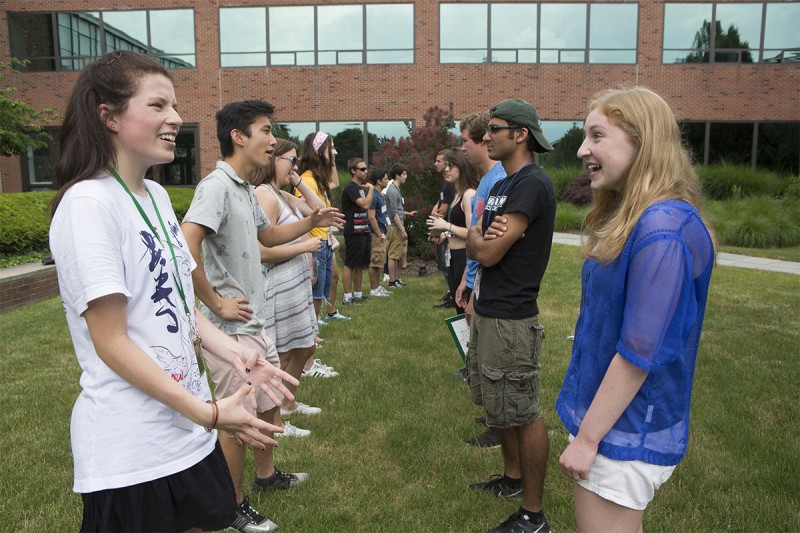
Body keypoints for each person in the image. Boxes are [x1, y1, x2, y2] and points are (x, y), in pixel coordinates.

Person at [48, 51, 298, 532]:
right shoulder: (87, 205)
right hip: (132, 449)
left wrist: (235, 352)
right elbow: (111, 342)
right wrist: (209, 413)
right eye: (159, 105)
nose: (176, 118)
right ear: (110, 116)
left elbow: (181, 304)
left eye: (175, 105)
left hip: (187, 431)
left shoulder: (157, 196)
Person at [556, 87, 716, 532]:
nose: (582, 148)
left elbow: (639, 352)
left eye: (597, 135)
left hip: (622, 430)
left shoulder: (662, 229)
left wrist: (588, 439)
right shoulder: (643, 216)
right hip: (614, 419)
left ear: (641, 142)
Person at [181, 100, 342, 532]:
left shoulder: (242, 188)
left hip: (254, 323)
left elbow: (267, 234)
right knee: (234, 422)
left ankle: (267, 477)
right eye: (266, 131)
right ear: (239, 136)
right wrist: (214, 303)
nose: (273, 141)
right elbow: (185, 245)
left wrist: (312, 221)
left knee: (268, 405)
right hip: (229, 331)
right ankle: (231, 505)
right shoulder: (215, 187)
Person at [465, 98, 556, 533]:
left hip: (512, 318)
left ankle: (533, 515)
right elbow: (481, 243)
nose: (486, 137)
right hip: (488, 309)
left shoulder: (532, 185)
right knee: (499, 406)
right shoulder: (504, 183)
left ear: (520, 135)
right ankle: (511, 479)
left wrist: (478, 242)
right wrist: (479, 241)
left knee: (524, 409)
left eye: (494, 129)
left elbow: (488, 250)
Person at [252, 138, 326, 426]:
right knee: (282, 355)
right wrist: (303, 248)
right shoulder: (264, 195)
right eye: (291, 160)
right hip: (278, 285)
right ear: (273, 159)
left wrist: (298, 181)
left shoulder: (281, 193)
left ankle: (287, 402)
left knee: (306, 347)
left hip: (295, 285)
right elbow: (262, 252)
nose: (296, 165)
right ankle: (277, 415)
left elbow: (319, 211)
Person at [454, 110, 507, 446]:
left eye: (464, 141)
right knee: (483, 355)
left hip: (493, 284)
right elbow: (476, 237)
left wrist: (474, 287)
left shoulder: (500, 179)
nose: (463, 148)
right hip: (478, 277)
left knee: (496, 359)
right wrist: (465, 280)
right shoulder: (487, 180)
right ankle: (494, 416)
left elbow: (485, 240)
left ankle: (499, 424)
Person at [296, 131, 351, 324]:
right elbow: (302, 212)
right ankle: (313, 326)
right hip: (315, 243)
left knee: (324, 285)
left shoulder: (317, 178)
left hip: (325, 242)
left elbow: (334, 182)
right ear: (318, 151)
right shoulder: (308, 180)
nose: (335, 152)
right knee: (316, 290)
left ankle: (317, 323)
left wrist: (331, 160)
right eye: (331, 148)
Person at [426, 149, 479, 315]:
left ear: (462, 167)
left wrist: (446, 226)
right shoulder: (457, 194)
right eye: (446, 165)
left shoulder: (468, 194)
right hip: (454, 258)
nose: (446, 169)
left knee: (464, 308)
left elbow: (473, 233)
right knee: (459, 308)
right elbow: (459, 227)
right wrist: (444, 234)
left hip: (464, 257)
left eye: (451, 166)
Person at [340, 157, 375, 305]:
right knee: (350, 264)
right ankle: (347, 297)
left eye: (366, 169)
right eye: (362, 169)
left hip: (363, 230)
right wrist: (372, 189)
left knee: (360, 264)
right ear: (353, 171)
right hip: (354, 231)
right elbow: (365, 205)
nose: (366, 171)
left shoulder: (361, 188)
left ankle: (358, 295)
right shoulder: (351, 188)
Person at [384, 164, 417, 288]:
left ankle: (396, 279)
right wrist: (402, 229)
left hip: (397, 225)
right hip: (394, 227)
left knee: (396, 253)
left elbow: (398, 210)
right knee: (393, 254)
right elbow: (393, 213)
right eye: (404, 174)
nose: (406, 176)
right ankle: (392, 281)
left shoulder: (396, 189)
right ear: (397, 176)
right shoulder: (392, 190)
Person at [432, 149, 456, 303]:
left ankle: (453, 296)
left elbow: (444, 209)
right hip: (445, 229)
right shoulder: (445, 184)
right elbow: (440, 204)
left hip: (448, 230)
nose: (435, 164)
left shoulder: (449, 184)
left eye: (438, 161)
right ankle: (451, 292)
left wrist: (435, 230)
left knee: (447, 263)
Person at [367, 168, 392, 297]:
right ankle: (374, 289)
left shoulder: (380, 195)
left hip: (382, 231)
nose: (388, 181)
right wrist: (378, 233)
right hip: (375, 233)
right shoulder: (373, 196)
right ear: (379, 181)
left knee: (379, 262)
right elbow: (371, 216)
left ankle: (378, 287)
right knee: (374, 261)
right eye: (386, 178)